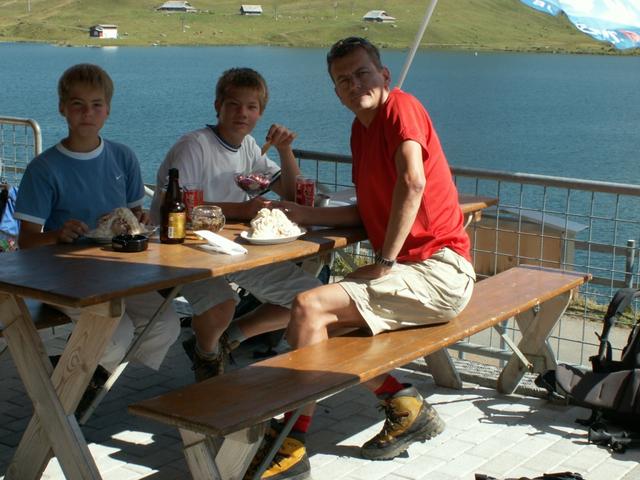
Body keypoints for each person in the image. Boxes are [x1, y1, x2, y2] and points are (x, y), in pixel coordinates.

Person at [250, 37, 477, 479]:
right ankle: (402, 402)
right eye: (343, 80)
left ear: (384, 75)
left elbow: (413, 183)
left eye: (362, 74)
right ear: (336, 92)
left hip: (439, 270)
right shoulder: (361, 130)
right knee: (310, 328)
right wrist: (302, 214)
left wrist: (386, 261)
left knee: (307, 306)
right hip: (412, 271)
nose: (355, 85)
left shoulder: (401, 109)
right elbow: (367, 209)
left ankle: (290, 441)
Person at [14, 63, 181, 416]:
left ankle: (82, 375)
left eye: (96, 105)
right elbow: (26, 242)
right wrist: (58, 235)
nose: (87, 113)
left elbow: (134, 215)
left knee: (165, 325)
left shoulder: (123, 157)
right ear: (63, 108)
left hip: (118, 271)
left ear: (108, 109)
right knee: (115, 334)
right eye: (77, 104)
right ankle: (70, 398)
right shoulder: (44, 169)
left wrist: (140, 220)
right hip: (62, 276)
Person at [150, 67, 322, 382]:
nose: (242, 113)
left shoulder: (249, 146)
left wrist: (285, 150)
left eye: (251, 107)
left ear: (260, 113)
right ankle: (207, 354)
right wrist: (243, 209)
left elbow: (292, 192)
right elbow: (177, 210)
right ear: (218, 106)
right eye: (233, 105)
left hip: (235, 248)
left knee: (313, 300)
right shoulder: (195, 146)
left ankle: (230, 337)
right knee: (221, 306)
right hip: (183, 250)